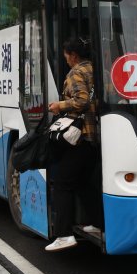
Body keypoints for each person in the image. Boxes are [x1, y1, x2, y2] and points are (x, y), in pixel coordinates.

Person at [45, 37, 99, 252]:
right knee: (85, 182)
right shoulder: (97, 69)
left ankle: (64, 235)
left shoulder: (76, 72)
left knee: (62, 183)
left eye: (66, 56)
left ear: (73, 56)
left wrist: (59, 105)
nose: (66, 59)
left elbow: (81, 100)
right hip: (95, 136)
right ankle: (98, 224)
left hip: (79, 137)